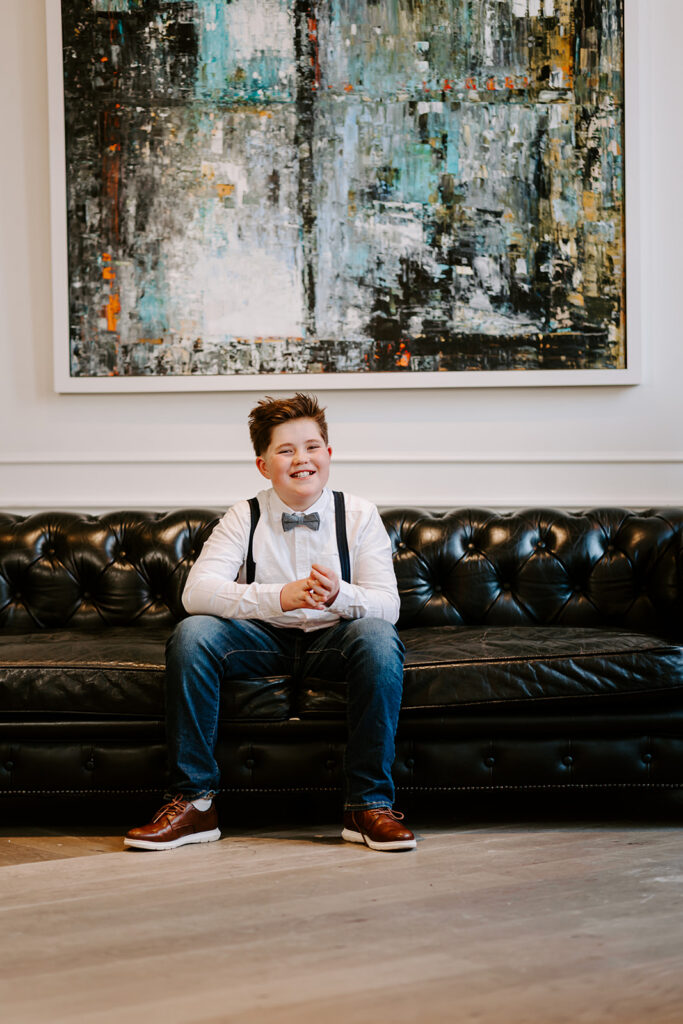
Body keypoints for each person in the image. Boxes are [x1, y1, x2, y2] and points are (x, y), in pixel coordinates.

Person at [124, 392, 415, 853]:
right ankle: (195, 804)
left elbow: (388, 606)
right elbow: (195, 592)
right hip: (261, 642)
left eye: (312, 446)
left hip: (333, 640)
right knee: (192, 634)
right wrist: (277, 597)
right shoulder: (244, 515)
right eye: (286, 450)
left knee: (379, 637)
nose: (302, 459)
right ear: (263, 465)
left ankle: (367, 805)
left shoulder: (359, 514)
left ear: (329, 454)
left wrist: (342, 595)